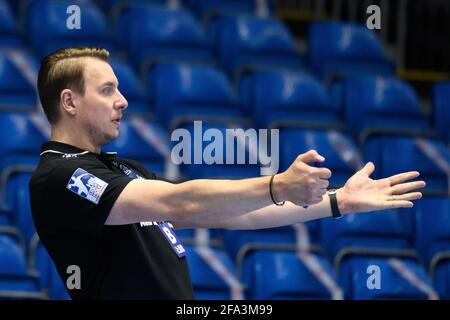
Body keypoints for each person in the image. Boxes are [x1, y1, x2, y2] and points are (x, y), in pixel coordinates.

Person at [29, 47, 426, 300]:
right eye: (107, 90)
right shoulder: (59, 176)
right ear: (70, 101)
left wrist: (337, 201)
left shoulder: (122, 168)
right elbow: (180, 203)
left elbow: (234, 213)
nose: (123, 100)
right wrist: (275, 184)